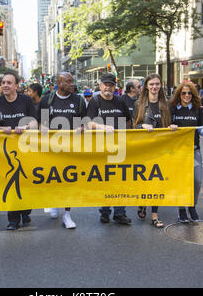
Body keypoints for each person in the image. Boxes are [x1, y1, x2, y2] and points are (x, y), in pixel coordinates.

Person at [0, 72, 38, 231]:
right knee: (10, 181)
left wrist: (24, 127)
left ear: (17, 86)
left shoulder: (26, 100)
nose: (5, 85)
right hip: (5, 150)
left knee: (25, 181)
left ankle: (25, 211)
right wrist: (1, 128)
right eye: (3, 82)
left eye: (9, 83)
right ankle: (13, 219)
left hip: (26, 147)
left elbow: (34, 121)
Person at [39, 72, 87, 229]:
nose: (72, 84)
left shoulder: (79, 100)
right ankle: (53, 202)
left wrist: (81, 128)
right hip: (51, 148)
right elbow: (41, 123)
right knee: (53, 178)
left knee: (69, 181)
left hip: (71, 148)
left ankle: (67, 214)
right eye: (68, 81)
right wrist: (44, 128)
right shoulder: (47, 100)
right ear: (59, 83)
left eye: (72, 81)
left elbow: (85, 122)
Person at [87, 73, 132, 225]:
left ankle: (120, 213)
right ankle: (105, 212)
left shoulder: (120, 101)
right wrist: (102, 126)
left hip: (120, 148)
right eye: (105, 84)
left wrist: (129, 139)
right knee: (105, 181)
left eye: (111, 84)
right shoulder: (94, 101)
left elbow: (128, 120)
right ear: (100, 86)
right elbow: (88, 123)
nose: (108, 87)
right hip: (101, 148)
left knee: (121, 181)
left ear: (115, 87)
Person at [133, 73, 176, 228]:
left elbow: (171, 125)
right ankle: (143, 202)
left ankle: (155, 215)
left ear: (160, 86)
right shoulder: (139, 104)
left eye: (157, 84)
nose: (154, 87)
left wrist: (172, 127)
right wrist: (142, 126)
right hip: (144, 149)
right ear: (146, 86)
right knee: (145, 181)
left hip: (161, 149)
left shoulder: (166, 105)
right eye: (151, 84)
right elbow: (134, 127)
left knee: (157, 182)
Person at [170, 82, 203, 223]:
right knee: (181, 181)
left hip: (194, 150)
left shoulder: (198, 109)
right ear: (179, 94)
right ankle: (182, 209)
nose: (187, 96)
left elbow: (201, 131)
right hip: (178, 152)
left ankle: (192, 206)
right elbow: (167, 131)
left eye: (189, 93)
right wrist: (171, 127)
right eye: (183, 93)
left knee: (196, 181)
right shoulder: (173, 109)